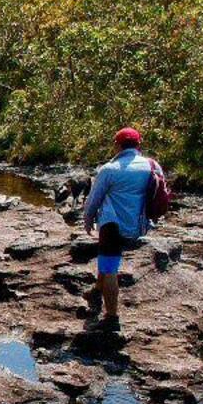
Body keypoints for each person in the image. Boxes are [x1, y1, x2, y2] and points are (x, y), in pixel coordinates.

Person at [82, 127, 162, 332]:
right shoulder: (152, 166)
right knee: (106, 256)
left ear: (117, 145)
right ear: (138, 145)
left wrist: (88, 219)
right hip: (138, 226)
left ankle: (111, 317)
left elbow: (94, 199)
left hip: (112, 226)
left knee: (110, 268)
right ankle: (97, 289)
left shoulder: (110, 169)